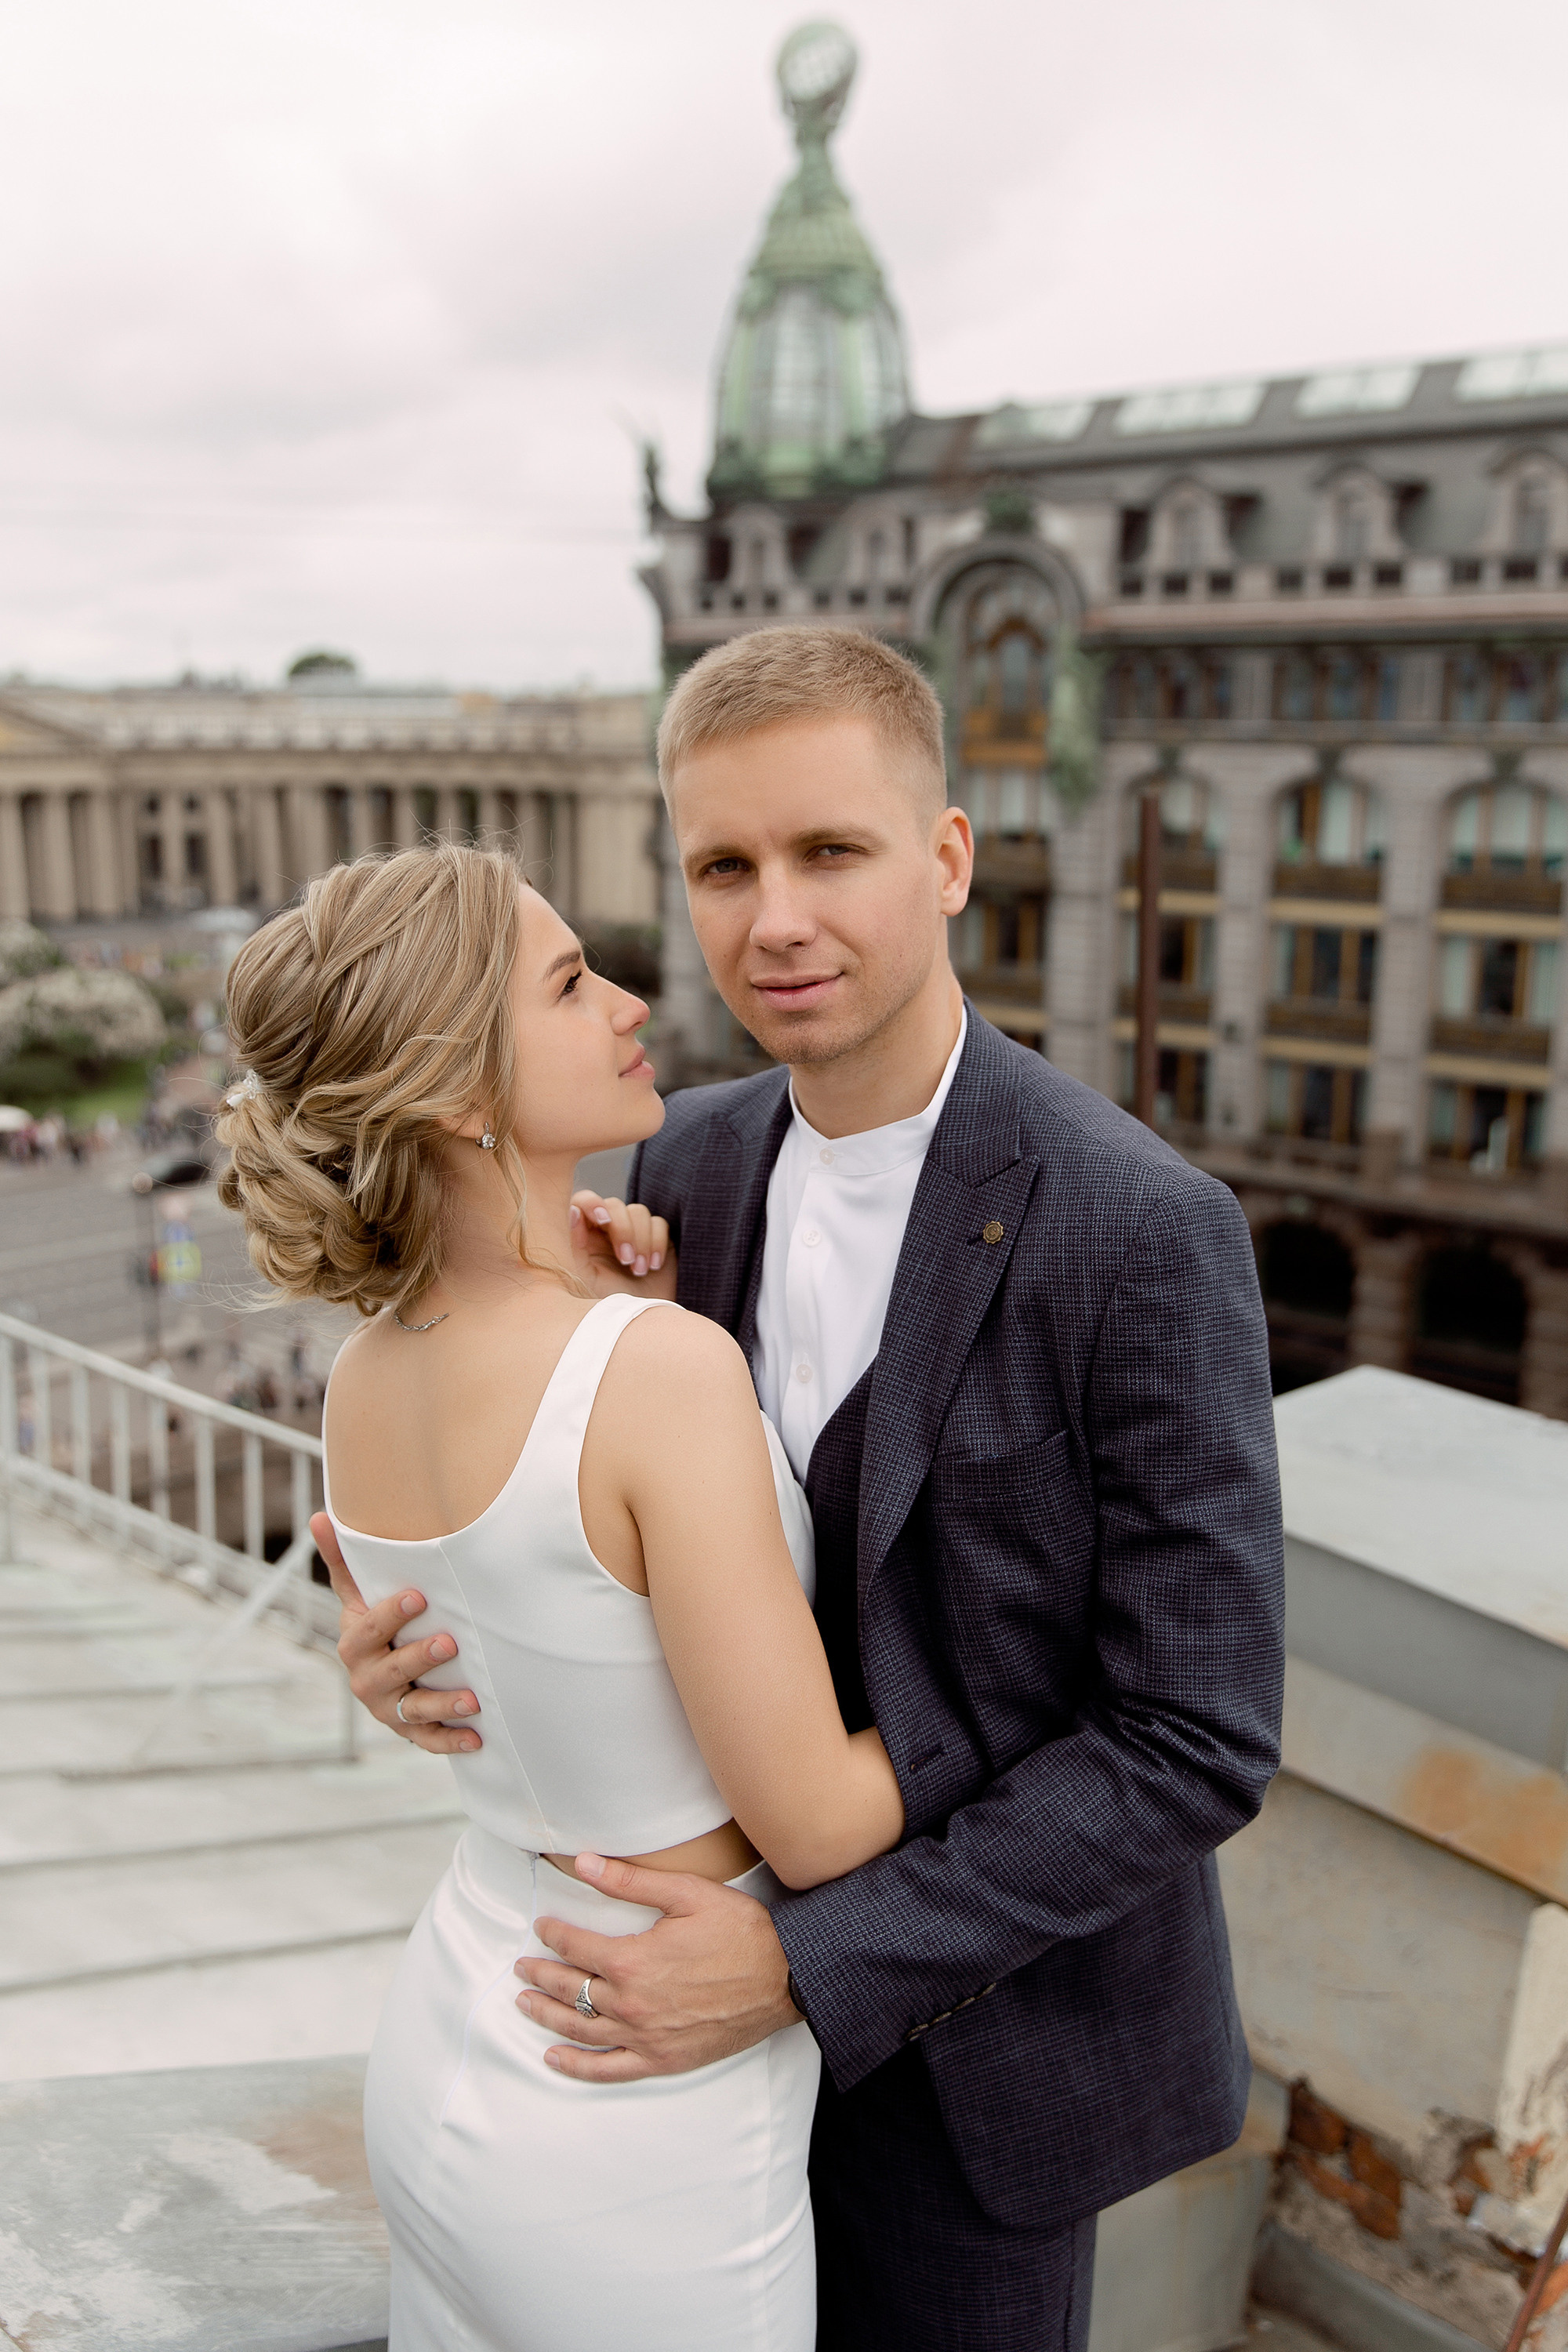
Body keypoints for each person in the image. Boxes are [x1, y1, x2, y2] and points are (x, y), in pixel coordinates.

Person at [332, 626, 1286, 2352]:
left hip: (979, 2072)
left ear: (948, 858)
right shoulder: (672, 1163)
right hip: (640, 2071)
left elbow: (1194, 1734)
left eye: (831, 851)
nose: (774, 919)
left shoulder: (1141, 1228)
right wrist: (430, 1646)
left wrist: (803, 1965)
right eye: (724, 866)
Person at [218, 840, 910, 2351]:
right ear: (457, 1091)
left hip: (465, 2015)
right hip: (635, 2111)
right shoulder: (657, 1373)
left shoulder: (364, 1374)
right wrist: (1049, 1689)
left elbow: (547, 1628)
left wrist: (620, 1316)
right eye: (569, 982)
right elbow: (811, 1826)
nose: (628, 1000)